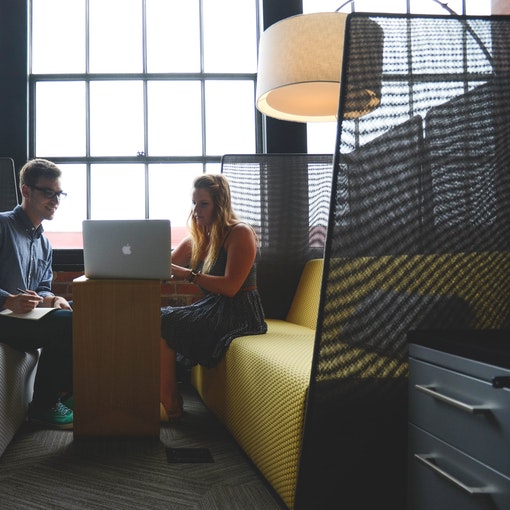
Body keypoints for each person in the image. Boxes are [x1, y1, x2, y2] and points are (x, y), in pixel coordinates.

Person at [160, 174, 267, 420]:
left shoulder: (239, 233)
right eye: (194, 203)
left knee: (163, 321)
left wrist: (189, 275)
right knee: (158, 318)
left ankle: (169, 402)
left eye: (203, 203)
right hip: (212, 307)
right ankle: (166, 396)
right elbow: (163, 267)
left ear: (220, 204)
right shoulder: (198, 238)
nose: (196, 210)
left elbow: (231, 287)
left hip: (240, 311)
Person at [0, 158, 74, 429]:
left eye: (59, 194)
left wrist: (53, 299)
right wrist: (7, 299)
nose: (55, 200)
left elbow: (42, 287)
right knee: (69, 324)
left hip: (24, 318)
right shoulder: (2, 225)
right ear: (26, 191)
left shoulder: (44, 243)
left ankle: (69, 393)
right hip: (2, 316)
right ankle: (43, 406)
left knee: (84, 312)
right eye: (48, 192)